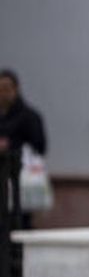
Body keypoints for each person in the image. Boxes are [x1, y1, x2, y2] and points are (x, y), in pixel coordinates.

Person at [0, 69, 48, 229]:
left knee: (19, 224)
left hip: (20, 179)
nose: (3, 94)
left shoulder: (29, 117)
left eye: (6, 89)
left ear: (16, 89)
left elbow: (40, 146)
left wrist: (11, 145)